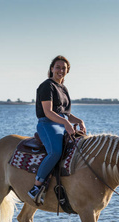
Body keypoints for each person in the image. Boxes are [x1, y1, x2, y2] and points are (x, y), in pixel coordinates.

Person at [28, 55, 86, 200]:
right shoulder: (47, 86)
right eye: (58, 67)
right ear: (52, 68)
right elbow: (48, 112)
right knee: (55, 152)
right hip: (47, 123)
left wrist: (79, 121)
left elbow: (65, 113)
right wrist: (66, 123)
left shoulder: (63, 88)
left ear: (67, 71)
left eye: (63, 68)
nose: (60, 70)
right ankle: (36, 186)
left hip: (61, 123)